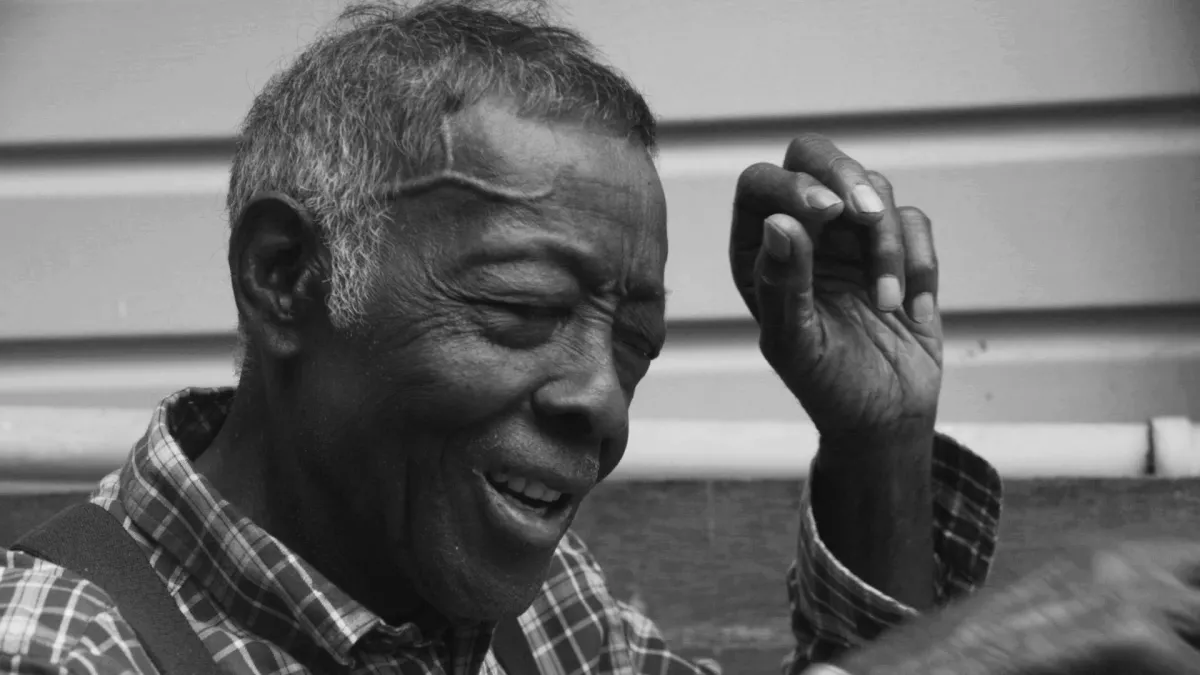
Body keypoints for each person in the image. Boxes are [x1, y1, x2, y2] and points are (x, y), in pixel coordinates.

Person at [0, 1, 1003, 673]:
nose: (601, 402)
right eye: (523, 310)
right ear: (285, 275)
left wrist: (878, 444)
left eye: (637, 344)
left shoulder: (543, 617)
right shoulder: (60, 648)